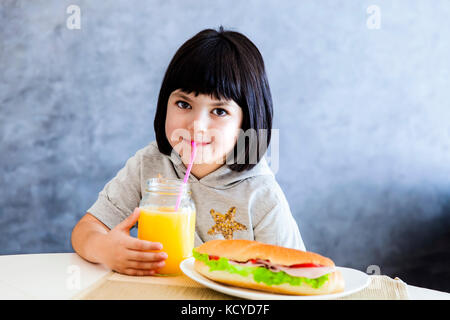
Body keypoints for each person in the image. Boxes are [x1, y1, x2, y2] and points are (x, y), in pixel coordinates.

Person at [71, 26, 306, 276]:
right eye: (184, 104)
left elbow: (291, 275)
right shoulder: (149, 165)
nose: (196, 126)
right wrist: (104, 248)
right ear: (165, 105)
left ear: (245, 123)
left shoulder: (260, 193)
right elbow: (86, 229)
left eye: (219, 111)